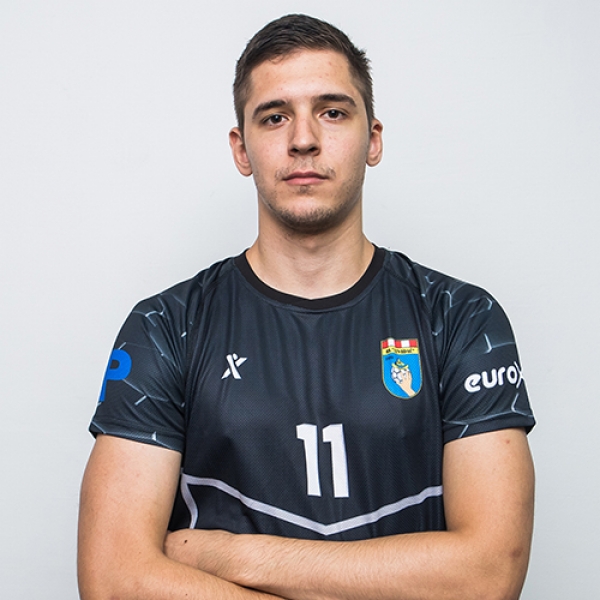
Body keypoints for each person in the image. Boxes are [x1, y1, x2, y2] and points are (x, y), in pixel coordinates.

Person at [78, 14, 535, 600]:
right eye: (275, 116)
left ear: (373, 139)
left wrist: (231, 554)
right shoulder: (166, 327)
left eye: (332, 111)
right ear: (241, 149)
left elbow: (489, 575)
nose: (303, 139)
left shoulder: (462, 318)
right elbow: (112, 580)